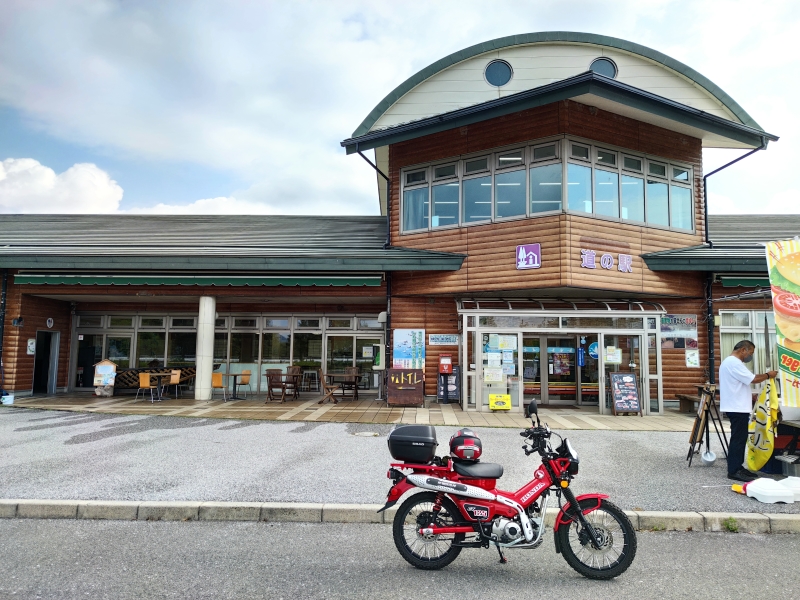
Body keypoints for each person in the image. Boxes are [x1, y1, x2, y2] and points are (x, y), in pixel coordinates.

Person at [719, 340, 777, 482]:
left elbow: (736, 385)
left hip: (736, 405)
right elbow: (754, 379)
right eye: (750, 353)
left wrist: (750, 395)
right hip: (736, 407)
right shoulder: (734, 363)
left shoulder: (729, 363)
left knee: (740, 438)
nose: (750, 356)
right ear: (743, 350)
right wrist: (768, 375)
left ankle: (738, 466)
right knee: (738, 439)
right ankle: (734, 470)